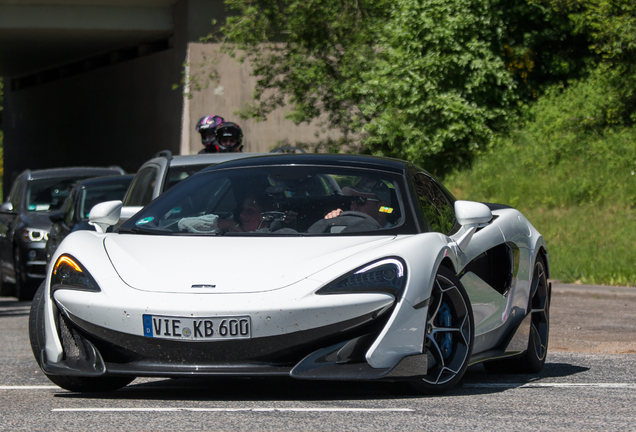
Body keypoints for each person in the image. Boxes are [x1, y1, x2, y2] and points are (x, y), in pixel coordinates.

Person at [325, 178, 394, 228]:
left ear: (381, 206)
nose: (353, 206)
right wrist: (333, 221)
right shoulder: (347, 228)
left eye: (360, 200)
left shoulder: (395, 238)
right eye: (352, 199)